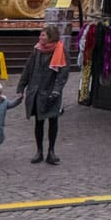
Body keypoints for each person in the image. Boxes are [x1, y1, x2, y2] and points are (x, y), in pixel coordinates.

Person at [16, 24, 69, 165]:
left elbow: (63, 73)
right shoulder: (37, 50)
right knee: (38, 122)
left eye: (43, 35)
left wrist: (57, 90)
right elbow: (28, 68)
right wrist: (21, 86)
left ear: (51, 36)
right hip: (36, 91)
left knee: (53, 121)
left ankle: (51, 151)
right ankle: (39, 150)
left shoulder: (60, 50)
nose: (40, 37)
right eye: (41, 35)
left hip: (51, 92)